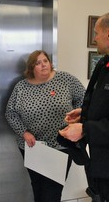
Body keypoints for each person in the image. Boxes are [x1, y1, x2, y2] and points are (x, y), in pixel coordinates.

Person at [5, 50, 85, 202]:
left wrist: (78, 118)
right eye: (38, 63)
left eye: (45, 61)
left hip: (60, 145)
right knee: (38, 187)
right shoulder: (21, 87)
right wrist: (24, 133)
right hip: (32, 146)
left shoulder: (65, 79)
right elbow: (10, 113)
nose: (43, 65)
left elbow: (84, 98)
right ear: (31, 68)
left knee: (52, 192)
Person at [59, 12, 109, 202]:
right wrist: (84, 114)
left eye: (97, 33)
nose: (94, 38)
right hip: (98, 164)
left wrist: (85, 128)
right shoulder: (103, 64)